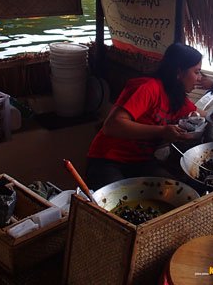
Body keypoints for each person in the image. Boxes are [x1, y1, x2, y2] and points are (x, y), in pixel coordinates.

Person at [86, 43, 202, 190]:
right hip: (108, 160)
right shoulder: (148, 88)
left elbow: (206, 116)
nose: (199, 78)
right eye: (196, 72)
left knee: (178, 192)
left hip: (141, 162)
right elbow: (112, 126)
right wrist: (162, 131)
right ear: (179, 72)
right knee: (116, 204)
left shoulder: (177, 99)